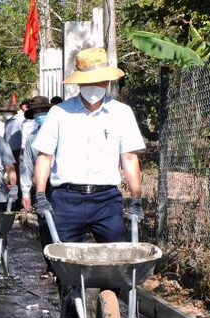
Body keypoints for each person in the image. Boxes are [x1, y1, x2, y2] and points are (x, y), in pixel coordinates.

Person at [32, 47, 145, 248]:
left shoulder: (122, 114)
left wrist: (136, 198)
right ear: (79, 83)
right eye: (88, 81)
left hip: (107, 200)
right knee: (64, 260)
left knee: (117, 259)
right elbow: (45, 157)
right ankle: (67, 280)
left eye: (99, 80)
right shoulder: (59, 113)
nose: (94, 86)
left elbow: (129, 158)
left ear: (107, 81)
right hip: (67, 199)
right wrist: (40, 194)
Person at [19, 96, 55, 277]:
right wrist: (25, 192)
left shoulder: (61, 132)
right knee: (44, 226)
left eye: (43, 111)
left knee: (62, 224)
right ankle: (50, 265)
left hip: (61, 186)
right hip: (41, 187)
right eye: (36, 113)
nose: (40, 115)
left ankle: (64, 264)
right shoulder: (31, 138)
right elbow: (26, 166)